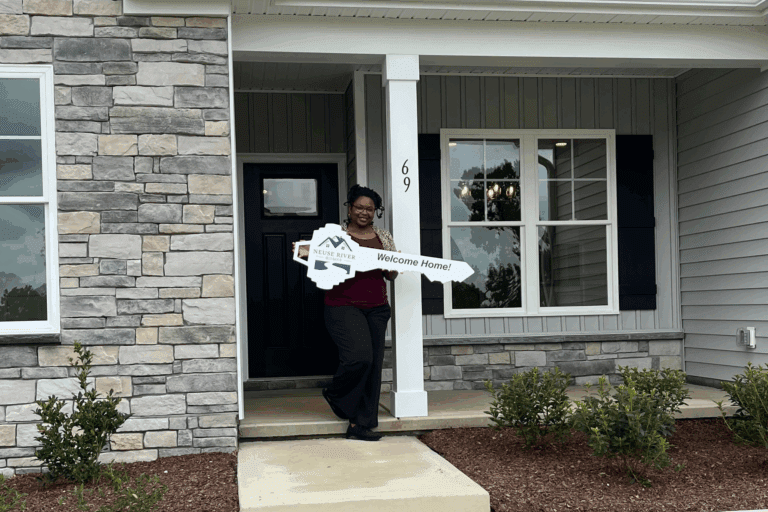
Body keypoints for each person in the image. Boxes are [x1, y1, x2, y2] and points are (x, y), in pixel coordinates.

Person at [293, 185, 397, 441]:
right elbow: (305, 254)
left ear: (376, 212)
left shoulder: (383, 237)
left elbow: (392, 275)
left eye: (370, 209)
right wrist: (311, 251)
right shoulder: (336, 235)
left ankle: (360, 426)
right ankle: (336, 395)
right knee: (359, 358)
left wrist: (390, 262)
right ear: (349, 208)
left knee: (373, 368)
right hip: (342, 306)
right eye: (359, 207)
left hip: (377, 309)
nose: (364, 212)